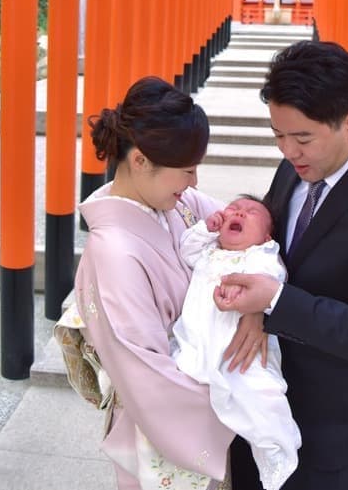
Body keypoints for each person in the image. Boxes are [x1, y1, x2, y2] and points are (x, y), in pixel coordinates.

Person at [214, 40, 348, 490]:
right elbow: (271, 255)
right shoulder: (293, 170)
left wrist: (274, 300)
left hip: (323, 433)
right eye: (278, 135)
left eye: (302, 137)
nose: (289, 150)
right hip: (253, 411)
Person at [72, 76, 263, 490]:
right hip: (162, 427)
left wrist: (256, 308)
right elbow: (148, 377)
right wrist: (241, 402)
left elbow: (251, 237)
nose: (194, 183)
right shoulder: (114, 256)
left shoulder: (180, 205)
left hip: (206, 389)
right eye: (187, 170)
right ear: (140, 160)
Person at [172, 196, 301, 490]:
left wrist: (247, 295)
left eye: (252, 212)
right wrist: (206, 229)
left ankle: (276, 451)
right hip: (199, 337)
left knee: (261, 392)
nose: (240, 211)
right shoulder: (208, 251)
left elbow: (274, 276)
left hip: (240, 344)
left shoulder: (262, 254)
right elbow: (186, 250)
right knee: (186, 374)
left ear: (266, 236)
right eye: (233, 208)